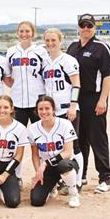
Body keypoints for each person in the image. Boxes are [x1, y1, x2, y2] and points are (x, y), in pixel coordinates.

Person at [67, 14, 110, 193]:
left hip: (94, 98)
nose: (86, 28)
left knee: (97, 137)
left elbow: (108, 75)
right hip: (76, 98)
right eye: (83, 25)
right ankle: (82, 174)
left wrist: (103, 100)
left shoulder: (101, 47)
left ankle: (104, 177)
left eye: (89, 25)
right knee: (79, 138)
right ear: (78, 27)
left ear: (94, 28)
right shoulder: (72, 47)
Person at [42, 28, 83, 192]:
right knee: (58, 147)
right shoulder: (45, 61)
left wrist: (73, 105)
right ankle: (63, 179)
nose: (50, 43)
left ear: (60, 41)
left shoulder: (68, 60)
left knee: (74, 147)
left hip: (67, 109)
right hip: (52, 112)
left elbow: (76, 84)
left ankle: (77, 181)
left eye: (54, 40)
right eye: (47, 40)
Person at [29, 96, 81, 208]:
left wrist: (45, 163)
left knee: (63, 165)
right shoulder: (33, 128)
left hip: (66, 164)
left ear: (53, 109)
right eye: (40, 109)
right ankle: (51, 187)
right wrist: (38, 173)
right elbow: (35, 155)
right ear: (36, 111)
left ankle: (73, 193)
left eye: (47, 108)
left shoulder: (65, 124)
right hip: (48, 170)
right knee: (36, 201)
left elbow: (68, 152)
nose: (44, 112)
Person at [6, 21, 48, 126]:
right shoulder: (11, 51)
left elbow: (46, 75)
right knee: (18, 134)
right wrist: (16, 85)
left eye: (27, 31)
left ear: (33, 34)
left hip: (37, 100)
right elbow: (7, 76)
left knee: (41, 133)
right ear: (17, 33)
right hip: (17, 100)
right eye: (21, 31)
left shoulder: (40, 51)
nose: (24, 34)